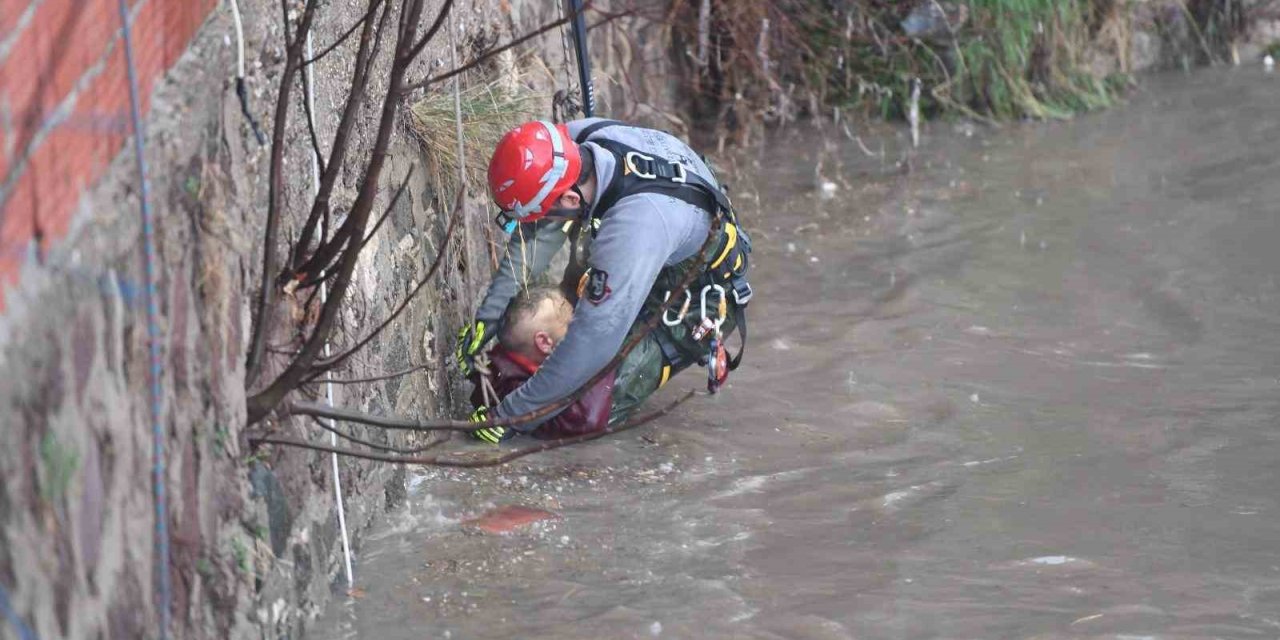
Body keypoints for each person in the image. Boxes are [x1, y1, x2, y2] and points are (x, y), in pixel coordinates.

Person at [457, 118, 753, 444]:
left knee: (586, 409)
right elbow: (540, 233)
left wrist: (514, 416)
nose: (542, 221)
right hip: (664, 236)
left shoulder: (633, 229)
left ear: (570, 199)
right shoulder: (573, 142)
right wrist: (491, 313)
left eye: (545, 212)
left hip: (692, 296)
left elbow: (593, 339)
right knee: (566, 310)